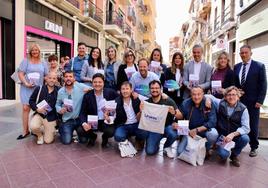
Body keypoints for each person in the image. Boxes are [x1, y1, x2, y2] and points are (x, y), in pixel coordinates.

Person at [234, 45, 267, 157]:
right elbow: (235, 83)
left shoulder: (259, 66)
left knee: (253, 124)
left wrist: (260, 100)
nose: (243, 55)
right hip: (239, 101)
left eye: (246, 52)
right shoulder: (237, 67)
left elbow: (263, 84)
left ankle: (254, 147)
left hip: (253, 101)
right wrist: (236, 91)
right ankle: (239, 144)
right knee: (238, 123)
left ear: (250, 53)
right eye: (241, 53)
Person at [208, 86, 250, 167]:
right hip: (222, 136)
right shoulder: (220, 103)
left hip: (235, 136)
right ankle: (220, 148)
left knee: (245, 138)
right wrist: (208, 100)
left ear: (238, 96)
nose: (231, 97)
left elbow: (246, 128)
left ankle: (234, 155)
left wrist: (233, 134)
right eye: (229, 95)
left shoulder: (243, 109)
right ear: (225, 96)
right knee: (223, 155)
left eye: (234, 95)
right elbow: (208, 96)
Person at [173, 86, 218, 158]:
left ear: (203, 94)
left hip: (204, 130)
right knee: (180, 152)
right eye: (194, 94)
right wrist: (175, 124)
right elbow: (180, 118)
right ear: (190, 94)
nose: (196, 97)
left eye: (199, 94)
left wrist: (197, 130)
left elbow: (212, 122)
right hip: (190, 132)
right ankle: (195, 149)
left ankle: (207, 148)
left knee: (213, 134)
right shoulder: (186, 103)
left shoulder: (208, 103)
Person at [78, 73, 119, 148]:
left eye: (100, 82)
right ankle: (92, 136)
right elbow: (82, 112)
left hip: (105, 120)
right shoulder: (87, 95)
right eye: (95, 82)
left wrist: (112, 116)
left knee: (111, 131)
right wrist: (84, 123)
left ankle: (105, 138)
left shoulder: (110, 92)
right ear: (92, 83)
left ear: (103, 83)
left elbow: (120, 99)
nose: (97, 84)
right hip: (92, 121)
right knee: (81, 130)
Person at [17, 43, 49, 140]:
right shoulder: (25, 61)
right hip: (26, 88)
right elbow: (20, 74)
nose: (35, 52)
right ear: (30, 51)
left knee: (37, 108)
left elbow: (46, 75)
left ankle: (35, 129)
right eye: (33, 50)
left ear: (39, 51)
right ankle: (25, 131)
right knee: (26, 108)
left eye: (37, 50)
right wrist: (26, 83)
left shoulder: (43, 62)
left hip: (38, 90)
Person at [144, 80, 179, 156]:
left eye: (157, 88)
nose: (155, 90)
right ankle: (155, 144)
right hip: (154, 129)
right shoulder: (146, 102)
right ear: (149, 90)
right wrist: (141, 111)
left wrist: (174, 112)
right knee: (150, 151)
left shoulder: (168, 100)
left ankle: (166, 147)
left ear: (161, 89)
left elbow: (180, 115)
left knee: (173, 134)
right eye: (152, 88)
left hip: (167, 126)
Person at [55, 71, 91, 145]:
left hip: (79, 119)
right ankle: (62, 128)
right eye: (66, 77)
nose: (68, 78)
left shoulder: (80, 86)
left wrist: (89, 90)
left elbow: (94, 89)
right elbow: (57, 104)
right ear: (63, 79)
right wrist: (59, 110)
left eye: (70, 76)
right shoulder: (61, 91)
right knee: (66, 141)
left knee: (84, 141)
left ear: (74, 78)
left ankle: (77, 133)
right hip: (67, 120)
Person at [114, 81, 148, 150]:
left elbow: (148, 100)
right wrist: (108, 118)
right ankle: (126, 137)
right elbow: (113, 117)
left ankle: (139, 139)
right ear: (120, 90)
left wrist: (138, 95)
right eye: (123, 89)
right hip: (123, 125)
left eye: (127, 89)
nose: (125, 91)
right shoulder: (116, 101)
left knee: (145, 133)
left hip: (136, 124)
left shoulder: (136, 98)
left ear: (131, 90)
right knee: (118, 136)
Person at [29, 72, 59, 144]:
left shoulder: (59, 90)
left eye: (54, 78)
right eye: (50, 78)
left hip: (51, 117)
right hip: (39, 114)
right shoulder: (39, 88)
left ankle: (50, 130)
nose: (52, 80)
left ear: (56, 80)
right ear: (46, 79)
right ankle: (39, 135)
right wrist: (37, 109)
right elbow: (31, 101)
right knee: (33, 127)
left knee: (48, 141)